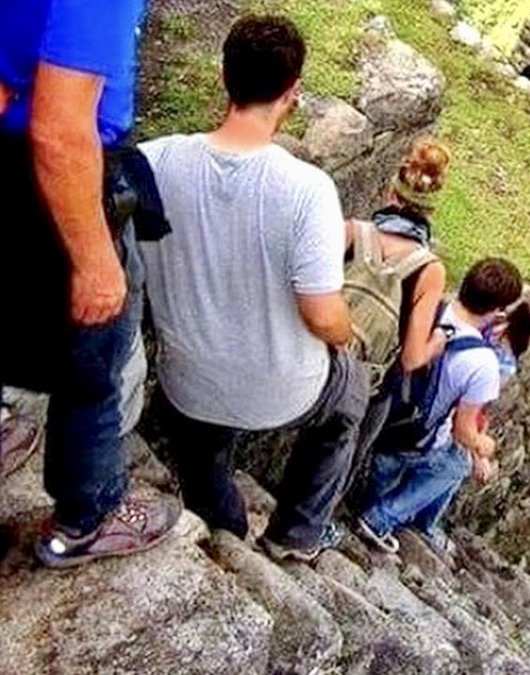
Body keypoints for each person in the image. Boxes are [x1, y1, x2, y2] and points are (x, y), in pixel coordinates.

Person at [138, 15, 367, 562]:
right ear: (292, 94)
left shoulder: (153, 161)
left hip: (187, 384)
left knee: (202, 451)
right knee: (350, 398)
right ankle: (296, 532)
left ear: (224, 76)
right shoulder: (307, 189)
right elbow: (321, 313)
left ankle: (223, 526)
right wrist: (347, 336)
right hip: (283, 391)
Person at [1, 0, 181, 567]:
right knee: (95, 358)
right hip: (57, 170)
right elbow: (59, 132)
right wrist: (96, 262)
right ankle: (89, 516)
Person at [357, 258, 523, 554]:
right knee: (457, 464)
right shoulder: (483, 363)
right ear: (498, 310)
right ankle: (380, 518)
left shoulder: (430, 307)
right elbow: (462, 431)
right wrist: (483, 445)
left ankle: (368, 505)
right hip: (415, 439)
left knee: (385, 467)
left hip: (381, 418)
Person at [344, 137, 451, 456]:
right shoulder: (429, 270)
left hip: (315, 357)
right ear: (431, 211)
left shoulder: (351, 232)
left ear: (391, 192)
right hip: (365, 386)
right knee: (337, 463)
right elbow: (412, 358)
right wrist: (438, 342)